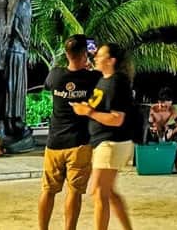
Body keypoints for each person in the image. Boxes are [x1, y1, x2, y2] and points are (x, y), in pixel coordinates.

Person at [38, 35, 102, 230]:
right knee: (74, 191)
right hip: (79, 143)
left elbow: (49, 84)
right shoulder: (93, 78)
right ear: (85, 54)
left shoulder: (55, 75)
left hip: (54, 143)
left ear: (66, 54)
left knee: (48, 190)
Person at [71, 43, 135, 230]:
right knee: (108, 193)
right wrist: (85, 108)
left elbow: (117, 119)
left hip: (111, 144)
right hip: (104, 143)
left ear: (111, 60)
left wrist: (88, 112)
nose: (95, 58)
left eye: (100, 55)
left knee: (99, 192)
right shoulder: (104, 80)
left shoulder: (116, 83)